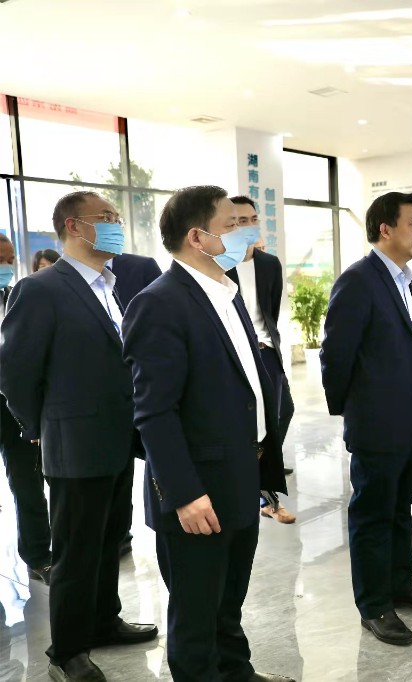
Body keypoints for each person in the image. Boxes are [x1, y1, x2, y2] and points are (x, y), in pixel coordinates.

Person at [122, 185, 292, 682]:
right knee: (196, 610)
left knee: (229, 597)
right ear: (198, 237)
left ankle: (236, 671)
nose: (245, 233)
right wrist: (184, 493)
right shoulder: (160, 303)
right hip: (198, 488)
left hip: (241, 470)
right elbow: (153, 412)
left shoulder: (225, 292)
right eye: (232, 224)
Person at [0, 191, 158, 682]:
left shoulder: (110, 285)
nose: (116, 225)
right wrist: (39, 427)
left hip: (117, 437)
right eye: (106, 217)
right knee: (75, 550)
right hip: (74, 442)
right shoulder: (41, 289)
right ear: (73, 225)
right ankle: (67, 652)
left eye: (116, 217)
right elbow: (15, 372)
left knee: (111, 538)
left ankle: (104, 619)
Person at [321, 191, 412, 647]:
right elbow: (336, 356)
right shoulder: (358, 281)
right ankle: (374, 605)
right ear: (385, 229)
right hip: (377, 423)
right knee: (373, 515)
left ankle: (399, 584)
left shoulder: (408, 281)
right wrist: (356, 409)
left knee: (399, 510)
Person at [227, 195, 297, 525]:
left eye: (252, 219)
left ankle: (262, 487)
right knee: (252, 426)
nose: (248, 225)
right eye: (240, 220)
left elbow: (269, 311)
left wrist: (266, 342)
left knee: (280, 415)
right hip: (237, 357)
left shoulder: (269, 264)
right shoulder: (220, 265)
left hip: (266, 352)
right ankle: (261, 495)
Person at [0, 235, 52, 585]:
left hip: (11, 405)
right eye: (0, 260)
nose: (6, 267)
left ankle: (38, 556)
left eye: (10, 260)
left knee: (28, 482)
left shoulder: (15, 297)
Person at [108, 250, 163, 558]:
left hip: (140, 389)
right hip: (93, 406)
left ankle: (122, 532)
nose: (114, 228)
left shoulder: (141, 267)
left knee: (130, 468)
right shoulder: (53, 284)